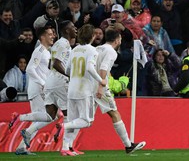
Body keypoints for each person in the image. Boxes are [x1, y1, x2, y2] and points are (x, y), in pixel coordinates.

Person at [93, 27, 146, 153]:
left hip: (89, 85)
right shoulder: (111, 52)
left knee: (86, 119)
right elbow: (104, 69)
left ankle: (67, 145)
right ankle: (128, 145)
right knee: (114, 113)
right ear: (117, 40)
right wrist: (101, 86)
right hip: (100, 86)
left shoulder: (97, 49)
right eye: (120, 39)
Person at [60, 24, 106, 156]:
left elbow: (67, 69)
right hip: (84, 90)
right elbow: (90, 69)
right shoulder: (92, 50)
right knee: (86, 121)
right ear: (92, 36)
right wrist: (100, 80)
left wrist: (74, 77)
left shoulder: (74, 50)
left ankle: (66, 147)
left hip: (71, 89)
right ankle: (63, 127)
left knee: (73, 120)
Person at [10, 26, 55, 155]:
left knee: (42, 119)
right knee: (49, 116)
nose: (52, 36)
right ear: (42, 37)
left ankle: (21, 147)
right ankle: (19, 117)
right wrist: (42, 84)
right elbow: (30, 69)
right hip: (37, 88)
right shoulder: (39, 50)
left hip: (41, 88)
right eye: (50, 34)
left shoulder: (46, 51)